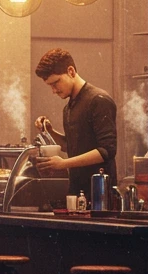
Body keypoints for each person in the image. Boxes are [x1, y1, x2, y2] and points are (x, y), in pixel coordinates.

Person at [33, 47, 118, 202]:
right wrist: (50, 131)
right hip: (78, 193)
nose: (53, 90)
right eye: (50, 86)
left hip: (100, 195)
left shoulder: (98, 100)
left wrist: (63, 164)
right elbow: (71, 146)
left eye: (56, 82)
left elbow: (107, 150)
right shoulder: (68, 107)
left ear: (71, 71)